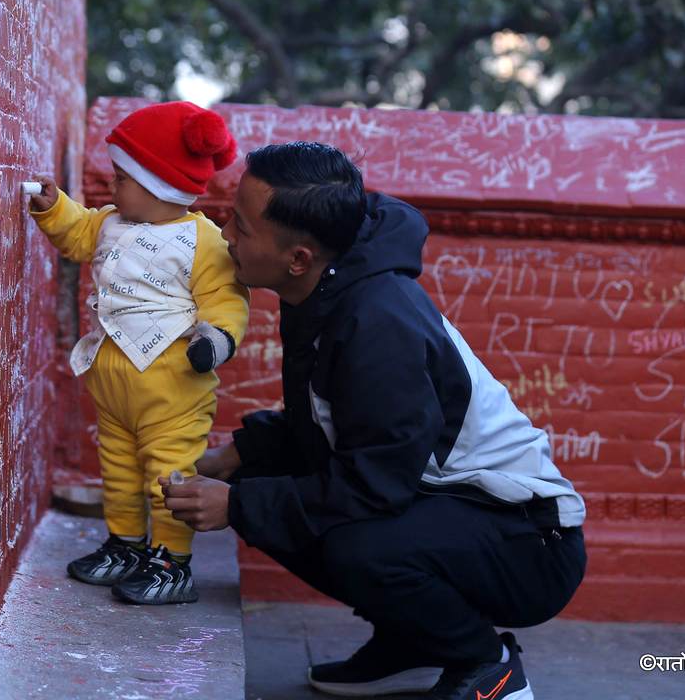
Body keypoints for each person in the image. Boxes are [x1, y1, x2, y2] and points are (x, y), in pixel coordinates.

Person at [160, 142, 586, 698]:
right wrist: (236, 458)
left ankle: (488, 667)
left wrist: (238, 504)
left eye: (240, 225)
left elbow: (376, 481)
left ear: (298, 258)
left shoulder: (377, 322)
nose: (225, 235)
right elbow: (335, 424)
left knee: (351, 544)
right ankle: (411, 643)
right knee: (264, 492)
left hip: (527, 542)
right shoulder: (327, 287)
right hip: (453, 509)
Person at [28, 101, 250, 605]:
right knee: (120, 470)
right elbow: (77, 231)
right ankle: (126, 545)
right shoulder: (109, 223)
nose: (112, 187)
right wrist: (52, 207)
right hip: (113, 384)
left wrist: (214, 341)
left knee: (168, 475)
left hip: (171, 390)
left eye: (123, 178)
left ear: (159, 184)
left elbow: (226, 300)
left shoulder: (203, 241)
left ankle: (172, 561)